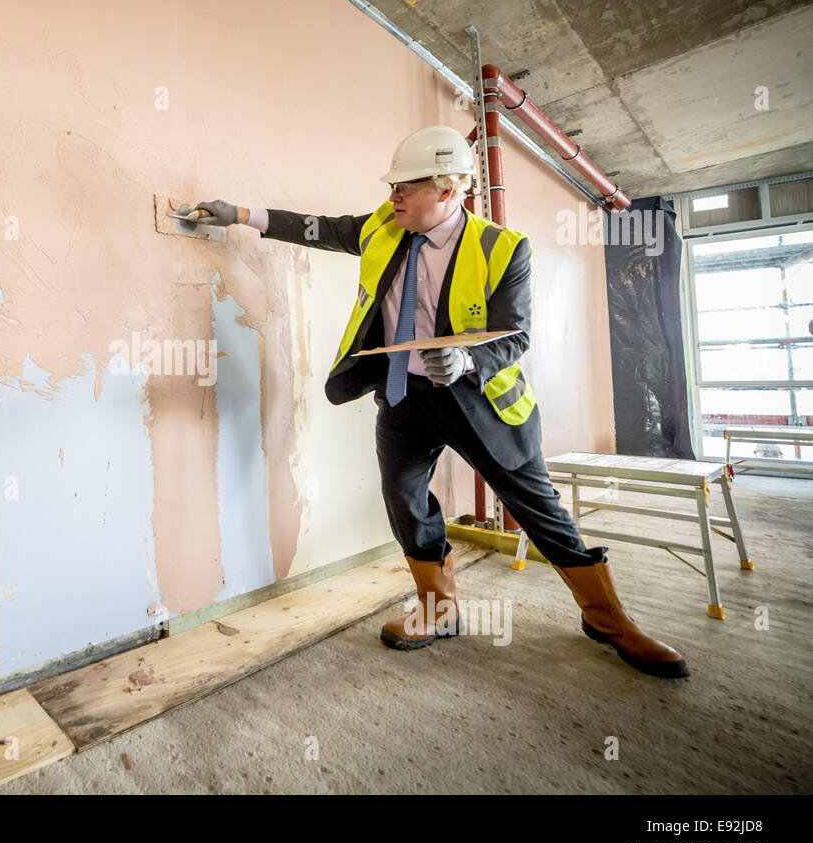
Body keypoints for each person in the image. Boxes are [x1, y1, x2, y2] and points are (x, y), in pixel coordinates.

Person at [194, 125, 689, 678]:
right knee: (405, 502)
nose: (392, 197)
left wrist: (469, 361)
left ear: (447, 191)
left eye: (405, 187)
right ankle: (439, 607)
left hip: (481, 402)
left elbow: (515, 334)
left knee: (538, 510)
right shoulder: (385, 227)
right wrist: (239, 214)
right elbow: (323, 229)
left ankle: (609, 618)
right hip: (404, 396)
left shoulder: (503, 247)